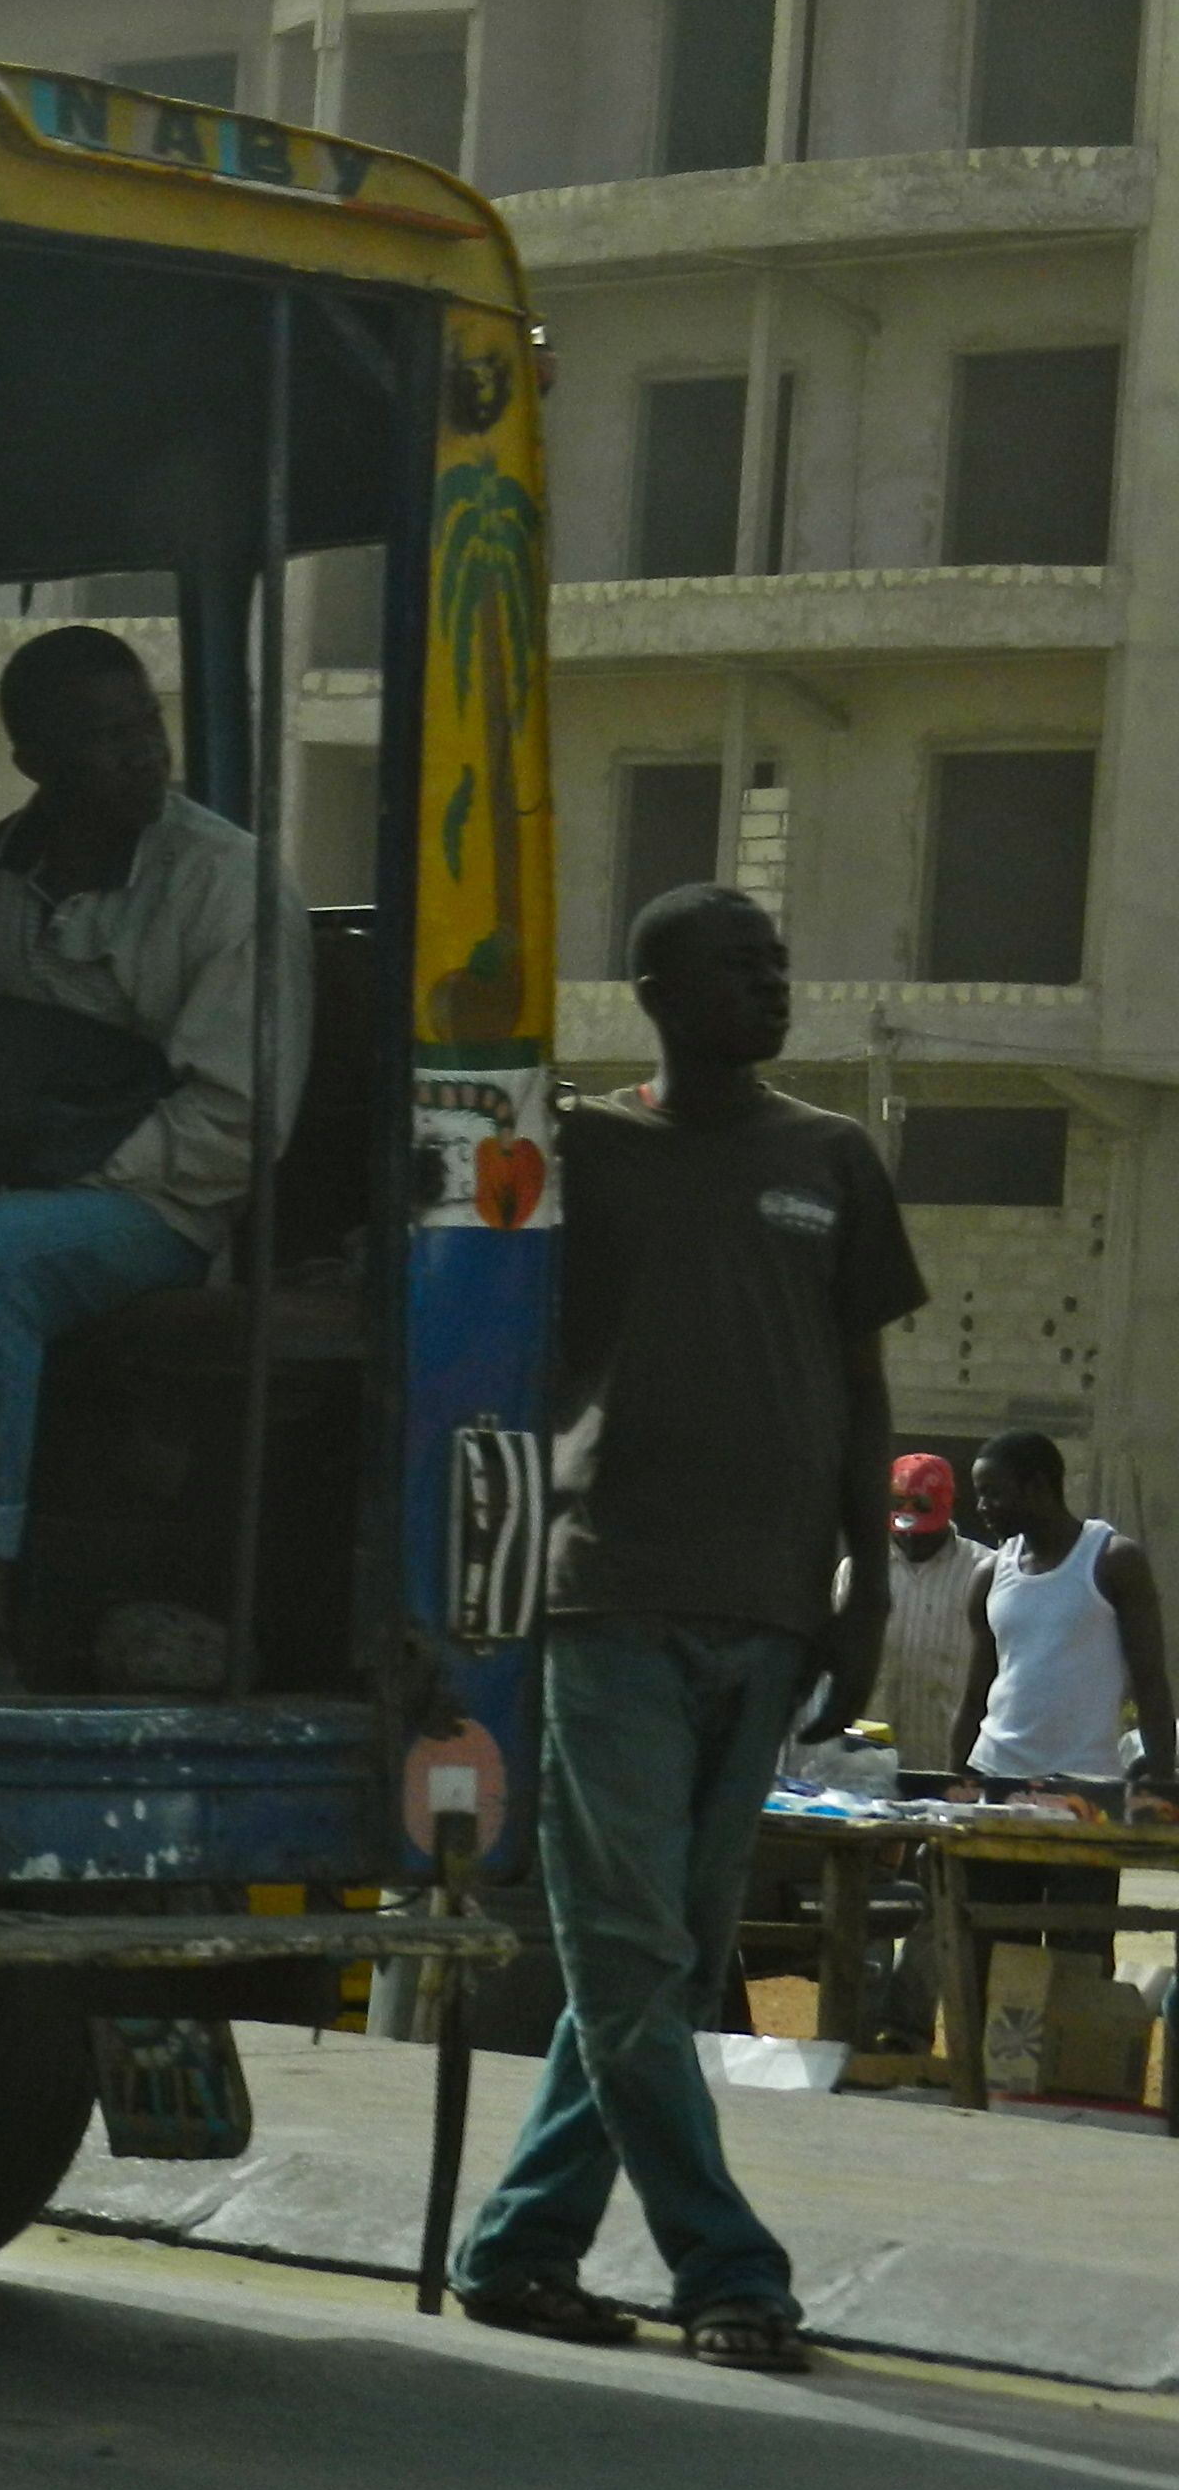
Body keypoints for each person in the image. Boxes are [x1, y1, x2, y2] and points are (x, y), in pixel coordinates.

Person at [450, 882, 924, 2377]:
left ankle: (522, 2250)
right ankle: (733, 2271)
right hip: (609, 1601)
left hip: (774, 1612)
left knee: (663, 1964)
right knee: (630, 1953)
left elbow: (863, 1399)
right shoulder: (583, 1152)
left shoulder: (832, 1160)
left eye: (780, 961)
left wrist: (860, 1598)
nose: (773, 986)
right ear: (655, 991)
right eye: (738, 967)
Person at [0, 624, 310, 1684]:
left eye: (146, 725)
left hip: (157, 1205)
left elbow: (233, 1125)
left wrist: (54, 1177)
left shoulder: (228, 883)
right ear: (33, 762)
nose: (142, 753)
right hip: (0, 1174)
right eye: (103, 737)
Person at [952, 1430, 1176, 1815]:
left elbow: (1150, 1682)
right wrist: (952, 1788)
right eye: (979, 1494)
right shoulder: (989, 1574)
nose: (983, 1506)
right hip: (997, 1774)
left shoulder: (1112, 1561)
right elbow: (974, 1697)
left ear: (1037, 1485)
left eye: (993, 1493)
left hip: (1088, 1787)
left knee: (1080, 1877)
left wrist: (1162, 1785)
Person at [859, 1453, 989, 1778]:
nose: (909, 1536)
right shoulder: (858, 1572)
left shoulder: (985, 1572)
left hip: (954, 1769)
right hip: (871, 1766)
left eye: (922, 1529)